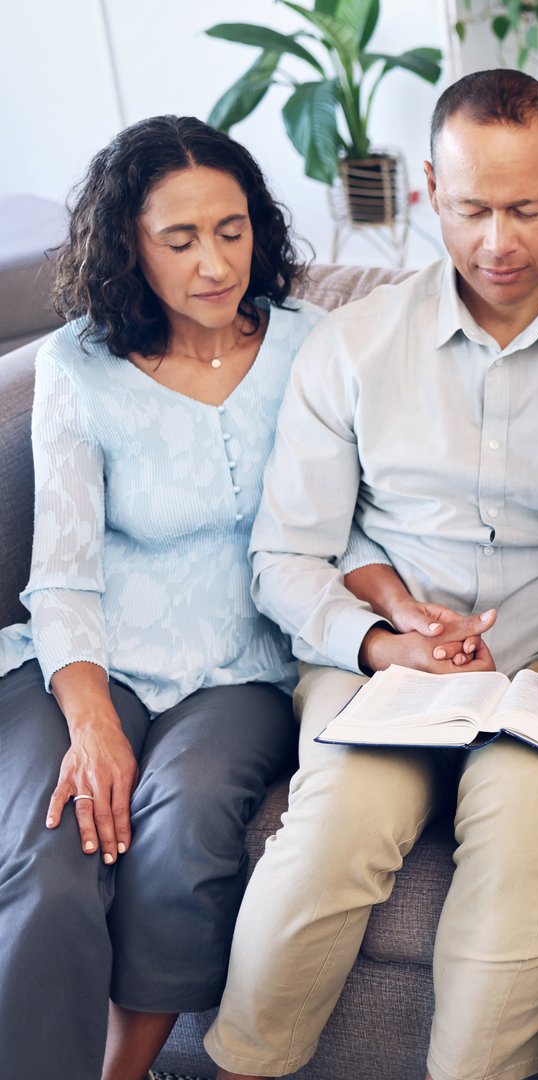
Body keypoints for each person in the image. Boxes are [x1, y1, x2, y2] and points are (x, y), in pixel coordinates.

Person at [205, 69, 538, 1080]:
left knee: (519, 857)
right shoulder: (352, 345)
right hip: (381, 673)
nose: (496, 242)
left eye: (526, 209)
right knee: (327, 833)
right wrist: (381, 644)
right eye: (469, 209)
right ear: (426, 190)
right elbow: (285, 557)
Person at [0, 115, 321, 1080]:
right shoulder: (74, 368)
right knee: (52, 856)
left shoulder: (319, 349)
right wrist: (93, 720)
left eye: (231, 230)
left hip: (245, 669)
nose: (215, 264)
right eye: (179, 240)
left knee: (179, 837)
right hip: (83, 655)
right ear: (128, 248)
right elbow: (59, 569)